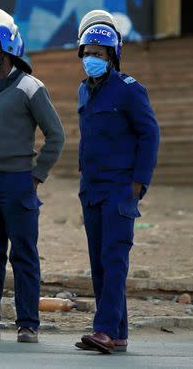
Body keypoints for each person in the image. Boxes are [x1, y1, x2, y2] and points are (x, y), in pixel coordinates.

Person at [0, 12, 66, 344]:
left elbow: (56, 136)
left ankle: (28, 324)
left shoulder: (30, 87)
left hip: (17, 182)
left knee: (23, 253)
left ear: (7, 49)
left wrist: (36, 176)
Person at [75, 20, 159, 354]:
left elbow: (150, 134)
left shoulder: (128, 89)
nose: (91, 58)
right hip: (91, 189)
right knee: (99, 260)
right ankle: (118, 333)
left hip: (120, 188)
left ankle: (105, 329)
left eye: (98, 53)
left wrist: (139, 182)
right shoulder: (85, 89)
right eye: (87, 53)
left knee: (114, 258)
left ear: (112, 56)